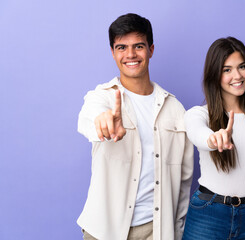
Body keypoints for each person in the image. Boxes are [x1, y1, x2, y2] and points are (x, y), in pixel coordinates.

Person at [77, 13, 193, 240]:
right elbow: (87, 118)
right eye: (121, 47)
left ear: (151, 49)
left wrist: (177, 232)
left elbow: (183, 182)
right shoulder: (102, 98)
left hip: (157, 230)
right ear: (112, 52)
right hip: (104, 230)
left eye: (138, 46)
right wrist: (102, 122)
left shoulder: (175, 109)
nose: (130, 54)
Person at [182, 37, 245, 240]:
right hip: (208, 215)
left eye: (242, 66)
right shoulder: (198, 114)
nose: (237, 75)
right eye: (227, 69)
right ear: (214, 75)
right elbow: (198, 133)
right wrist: (214, 139)